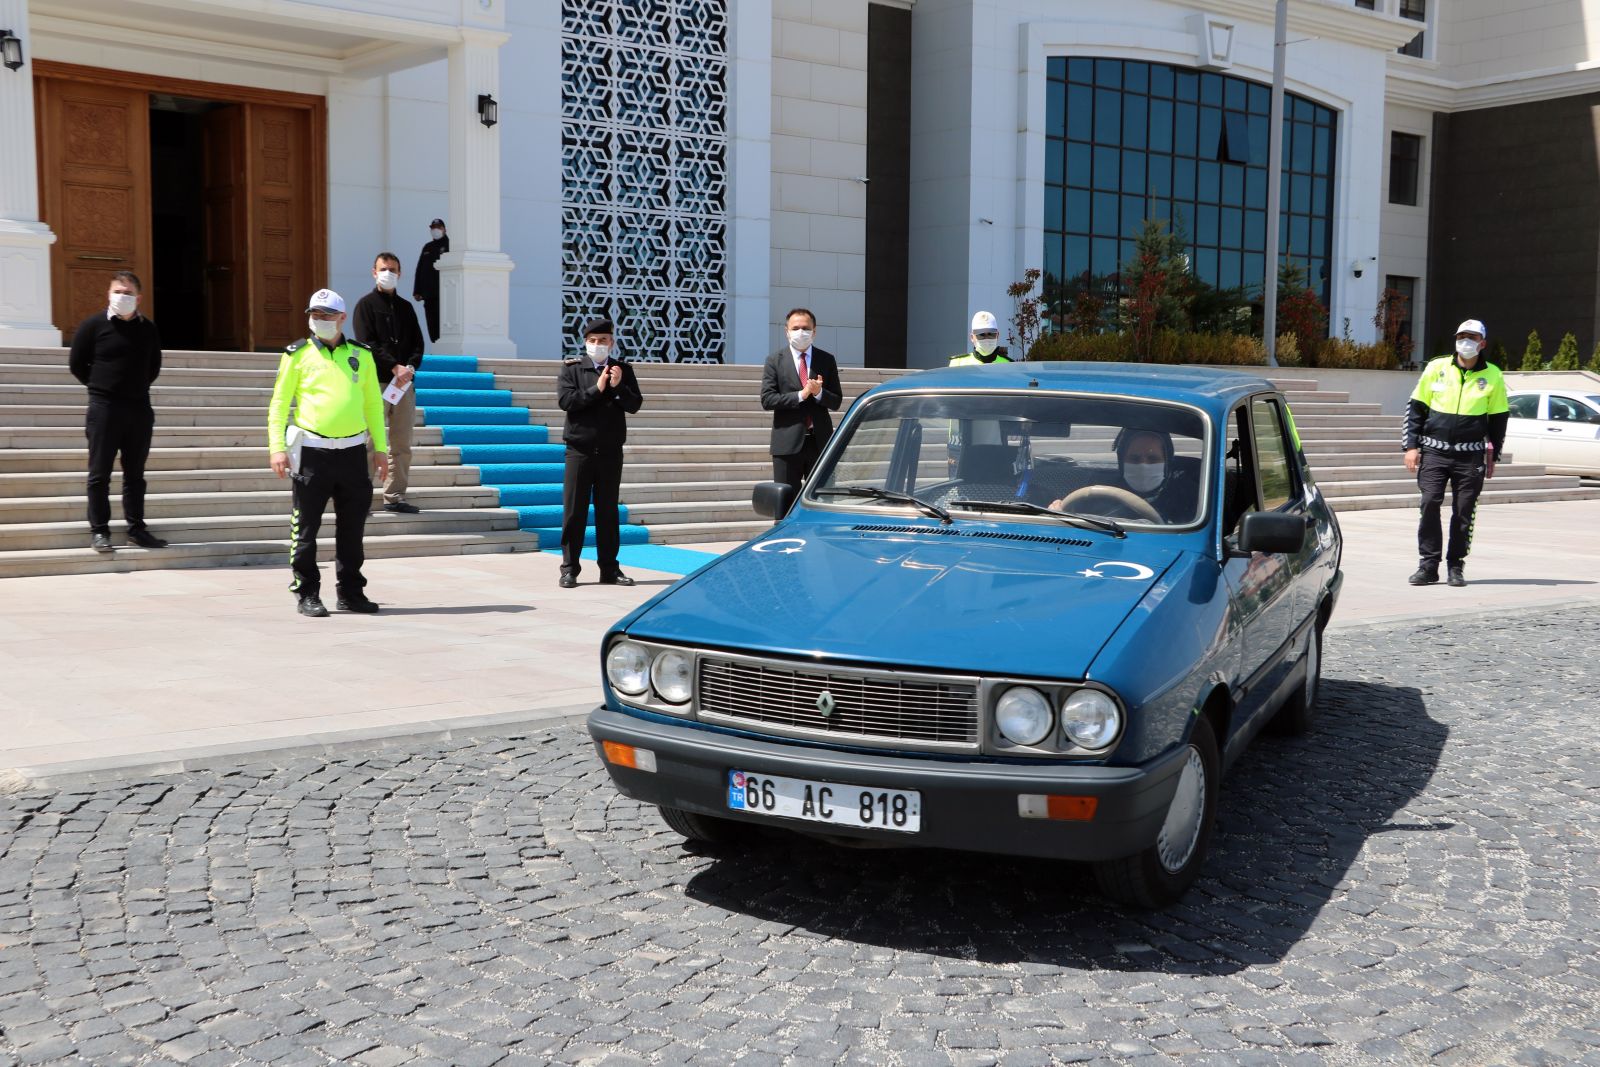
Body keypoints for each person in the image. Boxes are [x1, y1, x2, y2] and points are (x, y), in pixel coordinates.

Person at [267, 289, 389, 617]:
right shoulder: (296, 354)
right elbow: (279, 404)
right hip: (312, 453)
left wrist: (381, 447)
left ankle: (351, 592)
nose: (319, 321)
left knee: (352, 530)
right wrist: (276, 447)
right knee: (305, 528)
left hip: (351, 452)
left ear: (342, 318)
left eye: (327, 316)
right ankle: (306, 592)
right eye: (315, 315)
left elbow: (373, 404)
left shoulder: (361, 355)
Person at [1402, 318, 1508, 588]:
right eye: (1462, 336)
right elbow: (1416, 409)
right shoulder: (1437, 367)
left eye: (1472, 338)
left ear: (1482, 343)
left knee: (1464, 511)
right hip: (1434, 452)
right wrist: (1411, 446)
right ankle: (1428, 566)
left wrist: (1493, 455)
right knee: (1429, 503)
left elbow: (1498, 418)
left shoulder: (1493, 374)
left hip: (1470, 456)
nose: (1466, 342)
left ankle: (1456, 565)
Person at [68, 270, 167, 553]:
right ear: (108, 294)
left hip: (138, 408)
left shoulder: (148, 328)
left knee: (135, 473)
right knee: (99, 473)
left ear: (139, 297)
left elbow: (154, 367)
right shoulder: (92, 326)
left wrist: (133, 389)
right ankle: (100, 531)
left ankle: (137, 528)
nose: (122, 297)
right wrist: (101, 387)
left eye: (128, 293)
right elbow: (77, 364)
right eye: (118, 292)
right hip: (104, 407)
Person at [556, 316, 644, 589]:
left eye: (603, 341)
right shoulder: (572, 369)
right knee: (574, 512)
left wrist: (618, 388)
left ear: (612, 342)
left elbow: (635, 404)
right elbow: (567, 401)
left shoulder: (622, 370)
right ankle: (570, 569)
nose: (598, 345)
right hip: (579, 450)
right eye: (593, 341)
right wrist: (598, 389)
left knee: (607, 512)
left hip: (609, 451)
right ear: (585, 343)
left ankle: (609, 569)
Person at [352, 252, 425, 514]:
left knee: (402, 442)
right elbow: (367, 344)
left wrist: (410, 367)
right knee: (371, 441)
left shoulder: (406, 307)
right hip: (377, 383)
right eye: (384, 269)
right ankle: (359, 498)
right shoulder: (365, 305)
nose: (388, 273)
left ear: (400, 273)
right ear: (374, 272)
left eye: (393, 269)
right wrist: (393, 365)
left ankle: (395, 496)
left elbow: (418, 342)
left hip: (403, 384)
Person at [761, 308, 843, 500]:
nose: (801, 332)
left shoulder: (826, 359)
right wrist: (801, 394)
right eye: (795, 328)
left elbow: (837, 401)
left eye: (806, 328)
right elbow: (767, 399)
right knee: (785, 504)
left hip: (820, 441)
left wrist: (819, 392)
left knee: (823, 499)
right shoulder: (774, 361)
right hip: (787, 444)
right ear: (786, 331)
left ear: (814, 331)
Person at [1049, 428, 1196, 523]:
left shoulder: (1187, 501)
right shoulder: (1095, 496)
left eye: (1153, 459)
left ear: (1166, 463)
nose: (1143, 465)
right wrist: (1058, 514)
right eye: (1134, 459)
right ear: (1122, 462)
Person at [413, 218, 448, 344]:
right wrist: (417, 290)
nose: (435, 230)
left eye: (438, 227)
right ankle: (435, 346)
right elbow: (420, 269)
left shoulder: (450, 245)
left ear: (444, 229)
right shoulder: (427, 247)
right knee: (432, 324)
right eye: (433, 227)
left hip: (444, 295)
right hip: (428, 295)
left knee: (443, 325)